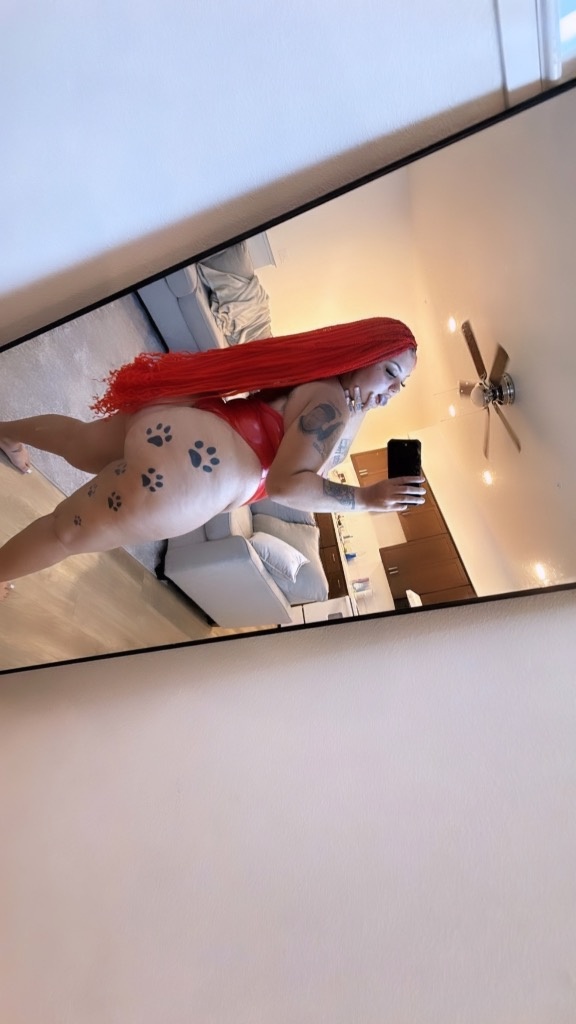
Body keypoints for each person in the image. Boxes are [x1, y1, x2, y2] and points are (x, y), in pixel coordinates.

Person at [0, 316, 425, 600]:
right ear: (363, 354)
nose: (392, 391)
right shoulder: (331, 406)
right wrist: (365, 499)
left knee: (78, 440)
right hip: (188, 478)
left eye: (400, 385)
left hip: (184, 418)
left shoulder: (315, 375)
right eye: (390, 372)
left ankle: (6, 434)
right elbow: (286, 484)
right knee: (64, 533)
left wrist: (360, 410)